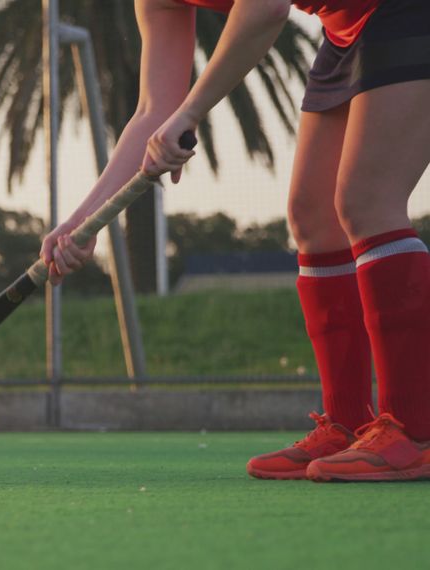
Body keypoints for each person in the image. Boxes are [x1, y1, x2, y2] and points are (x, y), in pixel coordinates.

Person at [40, 0, 430, 482]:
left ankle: (413, 433)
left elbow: (265, 10)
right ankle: (349, 424)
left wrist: (192, 111)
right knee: (313, 217)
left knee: (366, 201)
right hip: (347, 30)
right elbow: (152, 112)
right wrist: (82, 222)